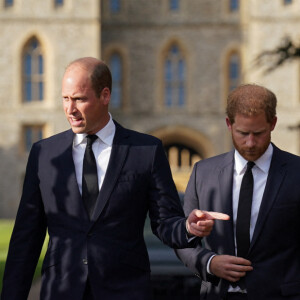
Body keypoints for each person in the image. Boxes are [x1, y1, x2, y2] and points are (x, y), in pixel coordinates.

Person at [1, 57, 229, 300]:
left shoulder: (147, 150)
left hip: (125, 290)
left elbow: (164, 221)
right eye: (65, 99)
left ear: (105, 95)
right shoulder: (44, 153)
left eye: (79, 99)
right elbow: (27, 236)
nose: (70, 109)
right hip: (62, 291)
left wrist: (187, 227)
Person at [176, 84, 300, 300]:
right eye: (243, 133)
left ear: (273, 124)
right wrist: (209, 263)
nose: (250, 142)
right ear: (228, 124)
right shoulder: (203, 173)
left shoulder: (296, 172)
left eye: (258, 133)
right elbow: (181, 239)